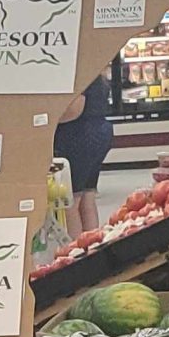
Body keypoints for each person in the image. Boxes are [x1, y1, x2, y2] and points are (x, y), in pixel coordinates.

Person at [55, 73, 114, 237]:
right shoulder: (95, 73)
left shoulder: (78, 74)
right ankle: (92, 245)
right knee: (87, 196)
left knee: (70, 200)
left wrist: (46, 119)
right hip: (99, 131)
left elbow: (75, 108)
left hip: (78, 136)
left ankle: (75, 253)